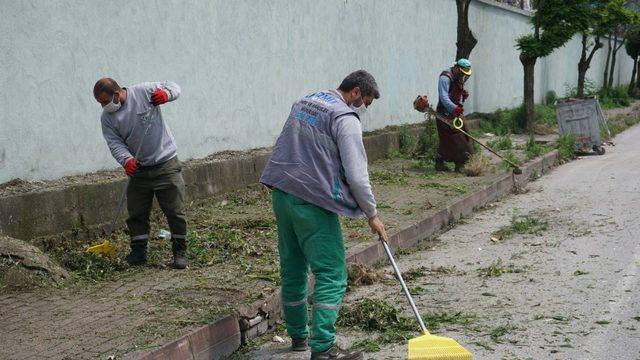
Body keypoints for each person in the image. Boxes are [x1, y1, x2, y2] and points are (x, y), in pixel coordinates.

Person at [260, 70, 388, 360]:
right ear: (355, 92)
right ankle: (324, 348)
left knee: (292, 268)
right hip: (313, 200)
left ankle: (298, 337)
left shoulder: (306, 100)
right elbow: (357, 175)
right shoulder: (345, 119)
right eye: (365, 101)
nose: (363, 108)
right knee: (331, 272)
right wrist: (372, 214)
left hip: (281, 191)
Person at [93, 78, 188, 269]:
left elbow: (174, 87)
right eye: (100, 103)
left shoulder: (144, 92)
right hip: (138, 169)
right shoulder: (107, 118)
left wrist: (166, 95)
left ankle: (180, 251)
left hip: (165, 163)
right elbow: (115, 143)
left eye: (105, 101)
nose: (103, 106)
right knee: (136, 213)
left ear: (117, 94)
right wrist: (126, 160)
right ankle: (138, 252)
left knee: (174, 210)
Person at [436, 58, 475, 172]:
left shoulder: (459, 77)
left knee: (464, 134)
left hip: (456, 112)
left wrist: (463, 94)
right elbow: (444, 97)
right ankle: (458, 164)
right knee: (455, 138)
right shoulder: (445, 77)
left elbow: (456, 90)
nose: (463, 75)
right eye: (462, 73)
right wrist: (454, 108)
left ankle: (454, 162)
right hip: (445, 113)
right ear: (457, 68)